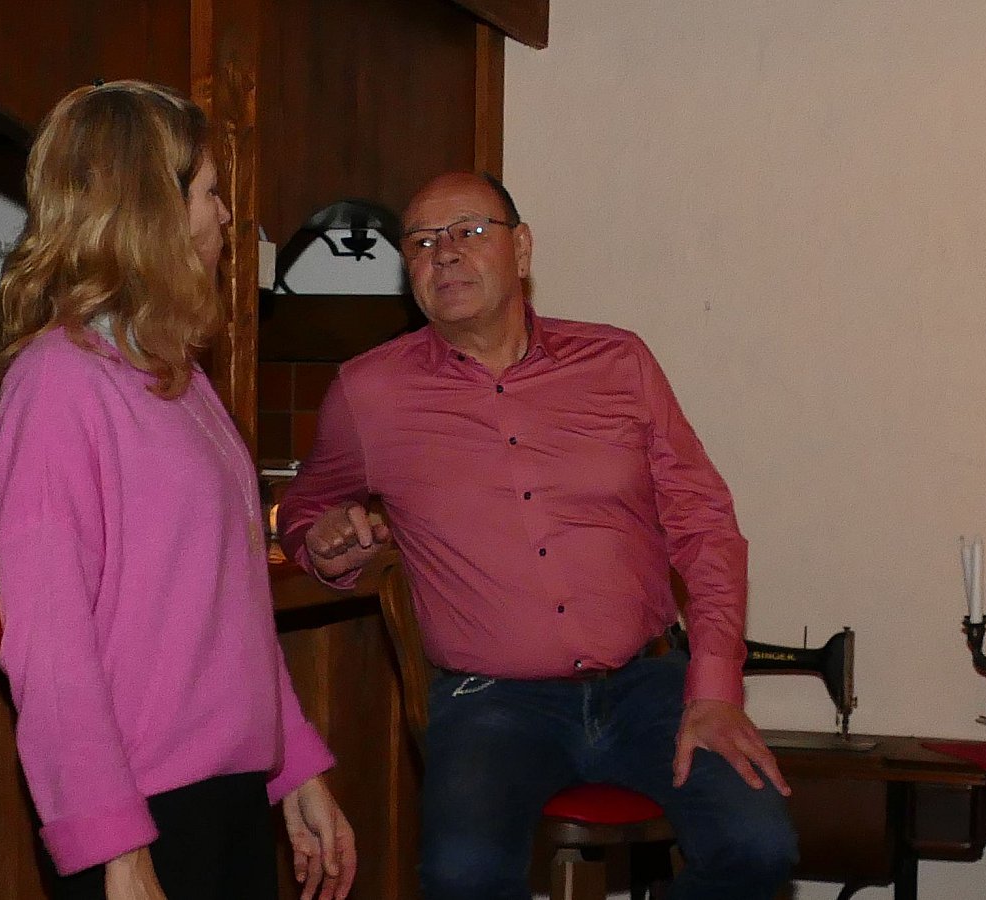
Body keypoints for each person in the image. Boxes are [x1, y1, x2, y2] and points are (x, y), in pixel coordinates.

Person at [278, 171, 797, 899]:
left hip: (649, 686)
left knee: (759, 846)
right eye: (421, 242)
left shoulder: (619, 362)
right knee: (462, 876)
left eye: (469, 231)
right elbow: (301, 514)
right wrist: (326, 545)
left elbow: (705, 524)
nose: (444, 253)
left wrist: (714, 688)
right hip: (491, 703)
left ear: (521, 249)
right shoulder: (368, 392)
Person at [0, 80, 355, 900]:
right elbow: (49, 646)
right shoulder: (58, 384)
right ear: (151, 209)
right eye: (210, 193)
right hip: (142, 814)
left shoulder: (179, 378)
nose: (226, 215)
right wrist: (116, 848)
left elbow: (227, 607)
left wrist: (295, 767)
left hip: (225, 794)